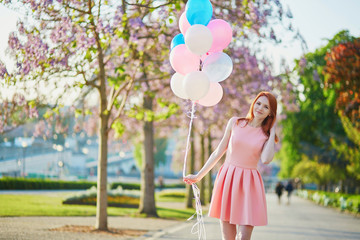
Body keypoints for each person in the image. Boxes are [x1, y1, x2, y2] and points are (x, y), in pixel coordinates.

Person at [183, 91, 278, 240]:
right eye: (258, 103)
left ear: (270, 113)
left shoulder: (265, 136)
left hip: (249, 184)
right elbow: (218, 152)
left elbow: (266, 159)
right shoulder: (235, 123)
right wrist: (198, 176)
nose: (260, 108)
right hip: (229, 179)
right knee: (228, 237)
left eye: (266, 107)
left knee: (243, 238)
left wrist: (272, 132)